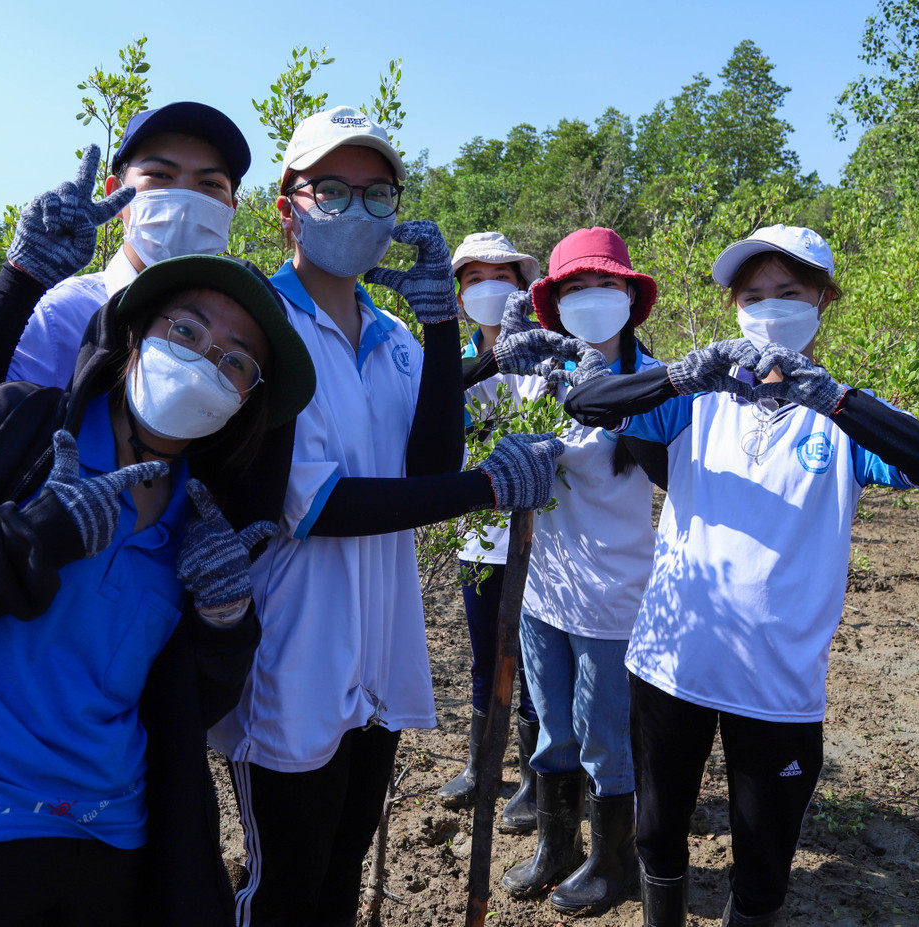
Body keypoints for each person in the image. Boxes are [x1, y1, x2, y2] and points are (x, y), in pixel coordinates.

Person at [0, 243, 320, 927]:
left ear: (245, 402)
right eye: (186, 330)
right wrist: (35, 534)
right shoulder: (18, 427)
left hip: (109, 834)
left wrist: (225, 617)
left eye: (235, 361)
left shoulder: (202, 522)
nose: (205, 360)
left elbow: (190, 703)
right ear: (135, 335)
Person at [544, 224, 919, 926]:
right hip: (671, 665)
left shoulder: (845, 422)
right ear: (734, 309)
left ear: (823, 301)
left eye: (789, 292)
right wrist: (687, 373)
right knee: (657, 833)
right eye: (752, 296)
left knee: (764, 860)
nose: (769, 308)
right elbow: (588, 404)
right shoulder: (694, 404)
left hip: (777, 686)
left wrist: (834, 399)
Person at [205, 107, 567, 927]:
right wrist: (488, 487)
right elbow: (316, 504)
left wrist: (441, 325)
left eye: (377, 194)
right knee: (284, 885)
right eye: (332, 189)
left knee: (341, 865)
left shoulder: (395, 337)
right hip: (292, 654)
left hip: (378, 651)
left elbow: (427, 467)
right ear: (288, 208)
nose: (356, 209)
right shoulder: (261, 328)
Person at [483, 227, 665, 915]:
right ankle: (556, 846)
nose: (591, 297)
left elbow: (677, 473)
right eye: (575, 287)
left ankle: (613, 862)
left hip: (613, 595)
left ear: (630, 297)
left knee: (604, 739)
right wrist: (498, 348)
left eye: (605, 284)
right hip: (542, 589)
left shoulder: (655, 382)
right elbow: (477, 417)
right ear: (553, 304)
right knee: (554, 729)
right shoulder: (539, 375)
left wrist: (615, 409)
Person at [0, 100, 252, 441]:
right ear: (114, 194)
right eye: (160, 175)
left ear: (231, 209)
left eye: (210, 184)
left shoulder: (242, 331)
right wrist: (19, 279)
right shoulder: (61, 316)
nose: (184, 199)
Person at [438, 231, 543, 835]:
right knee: (485, 655)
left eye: (501, 276)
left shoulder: (546, 354)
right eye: (474, 279)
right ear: (459, 298)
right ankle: (482, 765)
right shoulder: (447, 363)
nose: (488, 289)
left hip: (542, 537)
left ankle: (533, 778)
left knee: (533, 661)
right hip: (478, 534)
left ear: (523, 288)